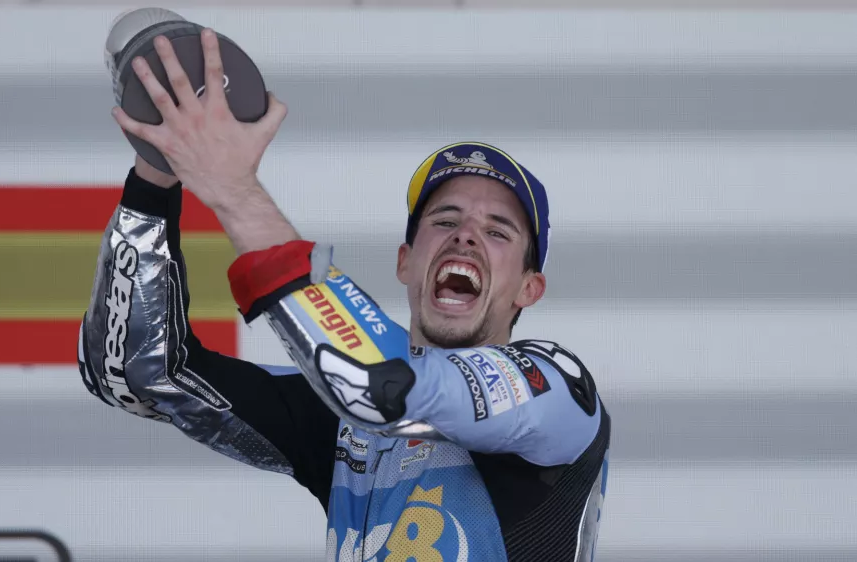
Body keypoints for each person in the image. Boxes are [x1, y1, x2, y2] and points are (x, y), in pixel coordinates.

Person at [78, 30, 611, 562]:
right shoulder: (344, 422)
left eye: (498, 232)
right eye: (445, 219)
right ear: (405, 262)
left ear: (528, 288)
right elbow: (135, 373)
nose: (465, 235)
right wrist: (159, 169)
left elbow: (382, 384)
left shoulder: (556, 391)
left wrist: (235, 191)